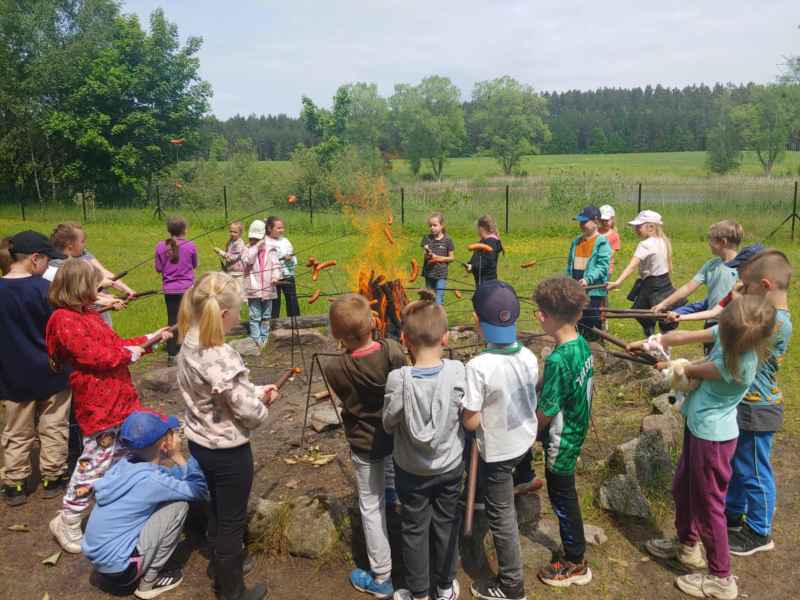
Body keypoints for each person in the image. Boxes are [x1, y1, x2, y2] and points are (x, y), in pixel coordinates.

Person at [632, 295, 776, 600]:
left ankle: (722, 578)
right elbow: (684, 336)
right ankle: (687, 544)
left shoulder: (738, 366)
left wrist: (666, 364)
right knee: (683, 487)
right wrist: (652, 341)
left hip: (713, 441)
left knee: (709, 507)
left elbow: (688, 371)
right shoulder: (734, 334)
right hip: (699, 429)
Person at [46, 259, 173, 554]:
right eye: (95, 284)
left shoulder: (87, 314)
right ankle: (67, 519)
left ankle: (116, 509)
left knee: (122, 456)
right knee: (94, 463)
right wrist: (132, 353)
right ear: (79, 286)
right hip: (98, 405)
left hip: (119, 398)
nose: (99, 288)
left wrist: (151, 339)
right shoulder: (64, 319)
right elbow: (95, 356)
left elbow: (116, 345)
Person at [177, 271, 280, 600]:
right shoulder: (219, 354)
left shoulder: (189, 340)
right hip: (228, 453)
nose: (239, 316)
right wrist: (262, 405)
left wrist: (256, 390)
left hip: (200, 442)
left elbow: (223, 392)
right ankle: (231, 590)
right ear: (223, 314)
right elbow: (247, 411)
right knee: (232, 520)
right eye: (238, 311)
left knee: (218, 507)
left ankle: (220, 562)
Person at [323, 293, 407, 598]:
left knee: (370, 506)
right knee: (391, 474)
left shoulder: (335, 367)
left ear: (336, 334)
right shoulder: (393, 350)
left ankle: (381, 576)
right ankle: (394, 504)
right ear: (373, 322)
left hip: (364, 442)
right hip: (395, 435)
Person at [383, 291, 465, 600]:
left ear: (404, 340)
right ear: (445, 337)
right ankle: (444, 587)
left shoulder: (398, 379)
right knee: (447, 523)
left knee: (414, 528)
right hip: (450, 467)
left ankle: (418, 593)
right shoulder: (458, 371)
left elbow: (388, 423)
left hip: (411, 471)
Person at [461, 280, 538, 600]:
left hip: (498, 452)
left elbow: (471, 421)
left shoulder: (478, 367)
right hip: (523, 440)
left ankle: (511, 585)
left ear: (477, 321)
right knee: (500, 494)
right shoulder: (529, 355)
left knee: (502, 515)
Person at [82, 411, 208, 600]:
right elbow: (199, 490)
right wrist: (179, 457)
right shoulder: (152, 481)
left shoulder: (124, 465)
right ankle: (149, 582)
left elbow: (165, 478)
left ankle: (123, 567)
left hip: (102, 563)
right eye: (170, 433)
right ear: (164, 443)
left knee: (165, 496)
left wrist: (183, 467)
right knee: (178, 506)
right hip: (124, 571)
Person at [722, 250, 792, 557]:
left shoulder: (775, 322)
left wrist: (735, 303)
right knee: (740, 464)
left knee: (755, 472)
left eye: (746, 286)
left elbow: (735, 335)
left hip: (758, 409)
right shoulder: (771, 316)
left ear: (764, 285)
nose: (742, 291)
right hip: (750, 404)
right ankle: (733, 513)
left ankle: (760, 531)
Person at [0, 232, 70, 506]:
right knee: (54, 425)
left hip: (12, 376)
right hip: (52, 372)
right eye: (48, 261)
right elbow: (62, 328)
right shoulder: (46, 290)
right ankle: (53, 477)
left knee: (16, 430)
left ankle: (15, 483)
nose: (48, 266)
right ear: (35, 258)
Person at [532, 277, 594, 587]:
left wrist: (529, 432)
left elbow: (548, 409)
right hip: (576, 428)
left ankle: (575, 561)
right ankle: (574, 550)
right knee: (565, 494)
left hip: (561, 439)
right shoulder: (580, 343)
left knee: (562, 498)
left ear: (544, 316)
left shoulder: (558, 359)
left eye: (538, 311)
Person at [652, 220, 741, 345]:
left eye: (711, 240)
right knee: (711, 354)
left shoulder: (744, 267)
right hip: (712, 322)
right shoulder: (711, 265)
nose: (709, 243)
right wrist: (664, 304)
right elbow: (688, 287)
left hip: (736, 324)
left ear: (723, 242)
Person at [607, 210, 679, 337]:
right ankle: (663, 341)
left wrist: (618, 282)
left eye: (639, 226)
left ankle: (651, 339)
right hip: (664, 282)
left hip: (652, 285)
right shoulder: (662, 241)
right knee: (664, 316)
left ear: (651, 227)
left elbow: (632, 266)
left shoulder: (645, 244)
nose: (636, 229)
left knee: (643, 313)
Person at [154, 216, 197, 364]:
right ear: (185, 230)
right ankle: (189, 352)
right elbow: (194, 264)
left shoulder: (160, 246)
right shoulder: (190, 245)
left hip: (170, 291)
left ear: (169, 230)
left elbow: (158, 268)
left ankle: (172, 354)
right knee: (189, 319)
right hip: (187, 289)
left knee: (173, 321)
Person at [565, 205, 611, 338]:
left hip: (593, 289)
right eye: (580, 222)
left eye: (584, 222)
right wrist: (568, 281)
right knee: (576, 317)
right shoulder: (576, 242)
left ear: (596, 221)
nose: (581, 225)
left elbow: (602, 267)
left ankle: (596, 343)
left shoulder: (601, 242)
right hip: (576, 287)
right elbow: (570, 264)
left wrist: (588, 279)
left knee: (591, 319)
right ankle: (579, 341)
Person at [241, 220, 278, 347]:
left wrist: (275, 276)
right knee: (255, 316)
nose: (254, 241)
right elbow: (248, 260)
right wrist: (256, 247)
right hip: (254, 289)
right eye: (252, 239)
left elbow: (276, 265)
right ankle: (256, 341)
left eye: (257, 239)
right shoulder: (247, 249)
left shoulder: (271, 250)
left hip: (268, 289)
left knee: (266, 316)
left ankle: (264, 340)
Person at [266, 216, 300, 319]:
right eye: (278, 228)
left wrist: (290, 258)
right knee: (274, 302)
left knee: (292, 300)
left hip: (288, 275)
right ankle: (274, 323)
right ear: (269, 228)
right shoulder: (265, 242)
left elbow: (293, 257)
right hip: (273, 278)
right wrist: (280, 258)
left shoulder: (285, 241)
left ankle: (295, 321)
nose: (282, 230)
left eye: (282, 228)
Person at [421, 212, 455, 305]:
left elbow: (452, 258)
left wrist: (439, 258)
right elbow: (425, 256)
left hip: (441, 274)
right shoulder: (426, 238)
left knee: (438, 299)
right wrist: (428, 254)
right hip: (429, 273)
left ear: (442, 226)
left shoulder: (448, 240)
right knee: (429, 299)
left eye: (435, 225)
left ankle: (438, 314)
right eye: (430, 226)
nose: (432, 228)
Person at [466, 215, 503, 288]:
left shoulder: (491, 242)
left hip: (488, 282)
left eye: (477, 228)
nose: (477, 231)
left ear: (482, 228)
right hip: (480, 281)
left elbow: (487, 261)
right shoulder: (482, 241)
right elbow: (476, 257)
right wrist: (470, 263)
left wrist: (473, 267)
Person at [215, 221, 246, 292]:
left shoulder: (240, 243)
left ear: (240, 233)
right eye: (231, 231)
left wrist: (220, 252)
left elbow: (233, 257)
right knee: (229, 290)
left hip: (238, 273)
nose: (232, 234)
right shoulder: (230, 242)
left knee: (239, 291)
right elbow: (227, 255)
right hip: (230, 270)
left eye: (235, 232)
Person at [598, 204, 621, 274]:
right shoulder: (595, 232)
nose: (604, 222)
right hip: (593, 265)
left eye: (607, 220)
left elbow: (611, 253)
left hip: (606, 267)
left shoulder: (614, 235)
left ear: (612, 219)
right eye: (602, 220)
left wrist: (600, 258)